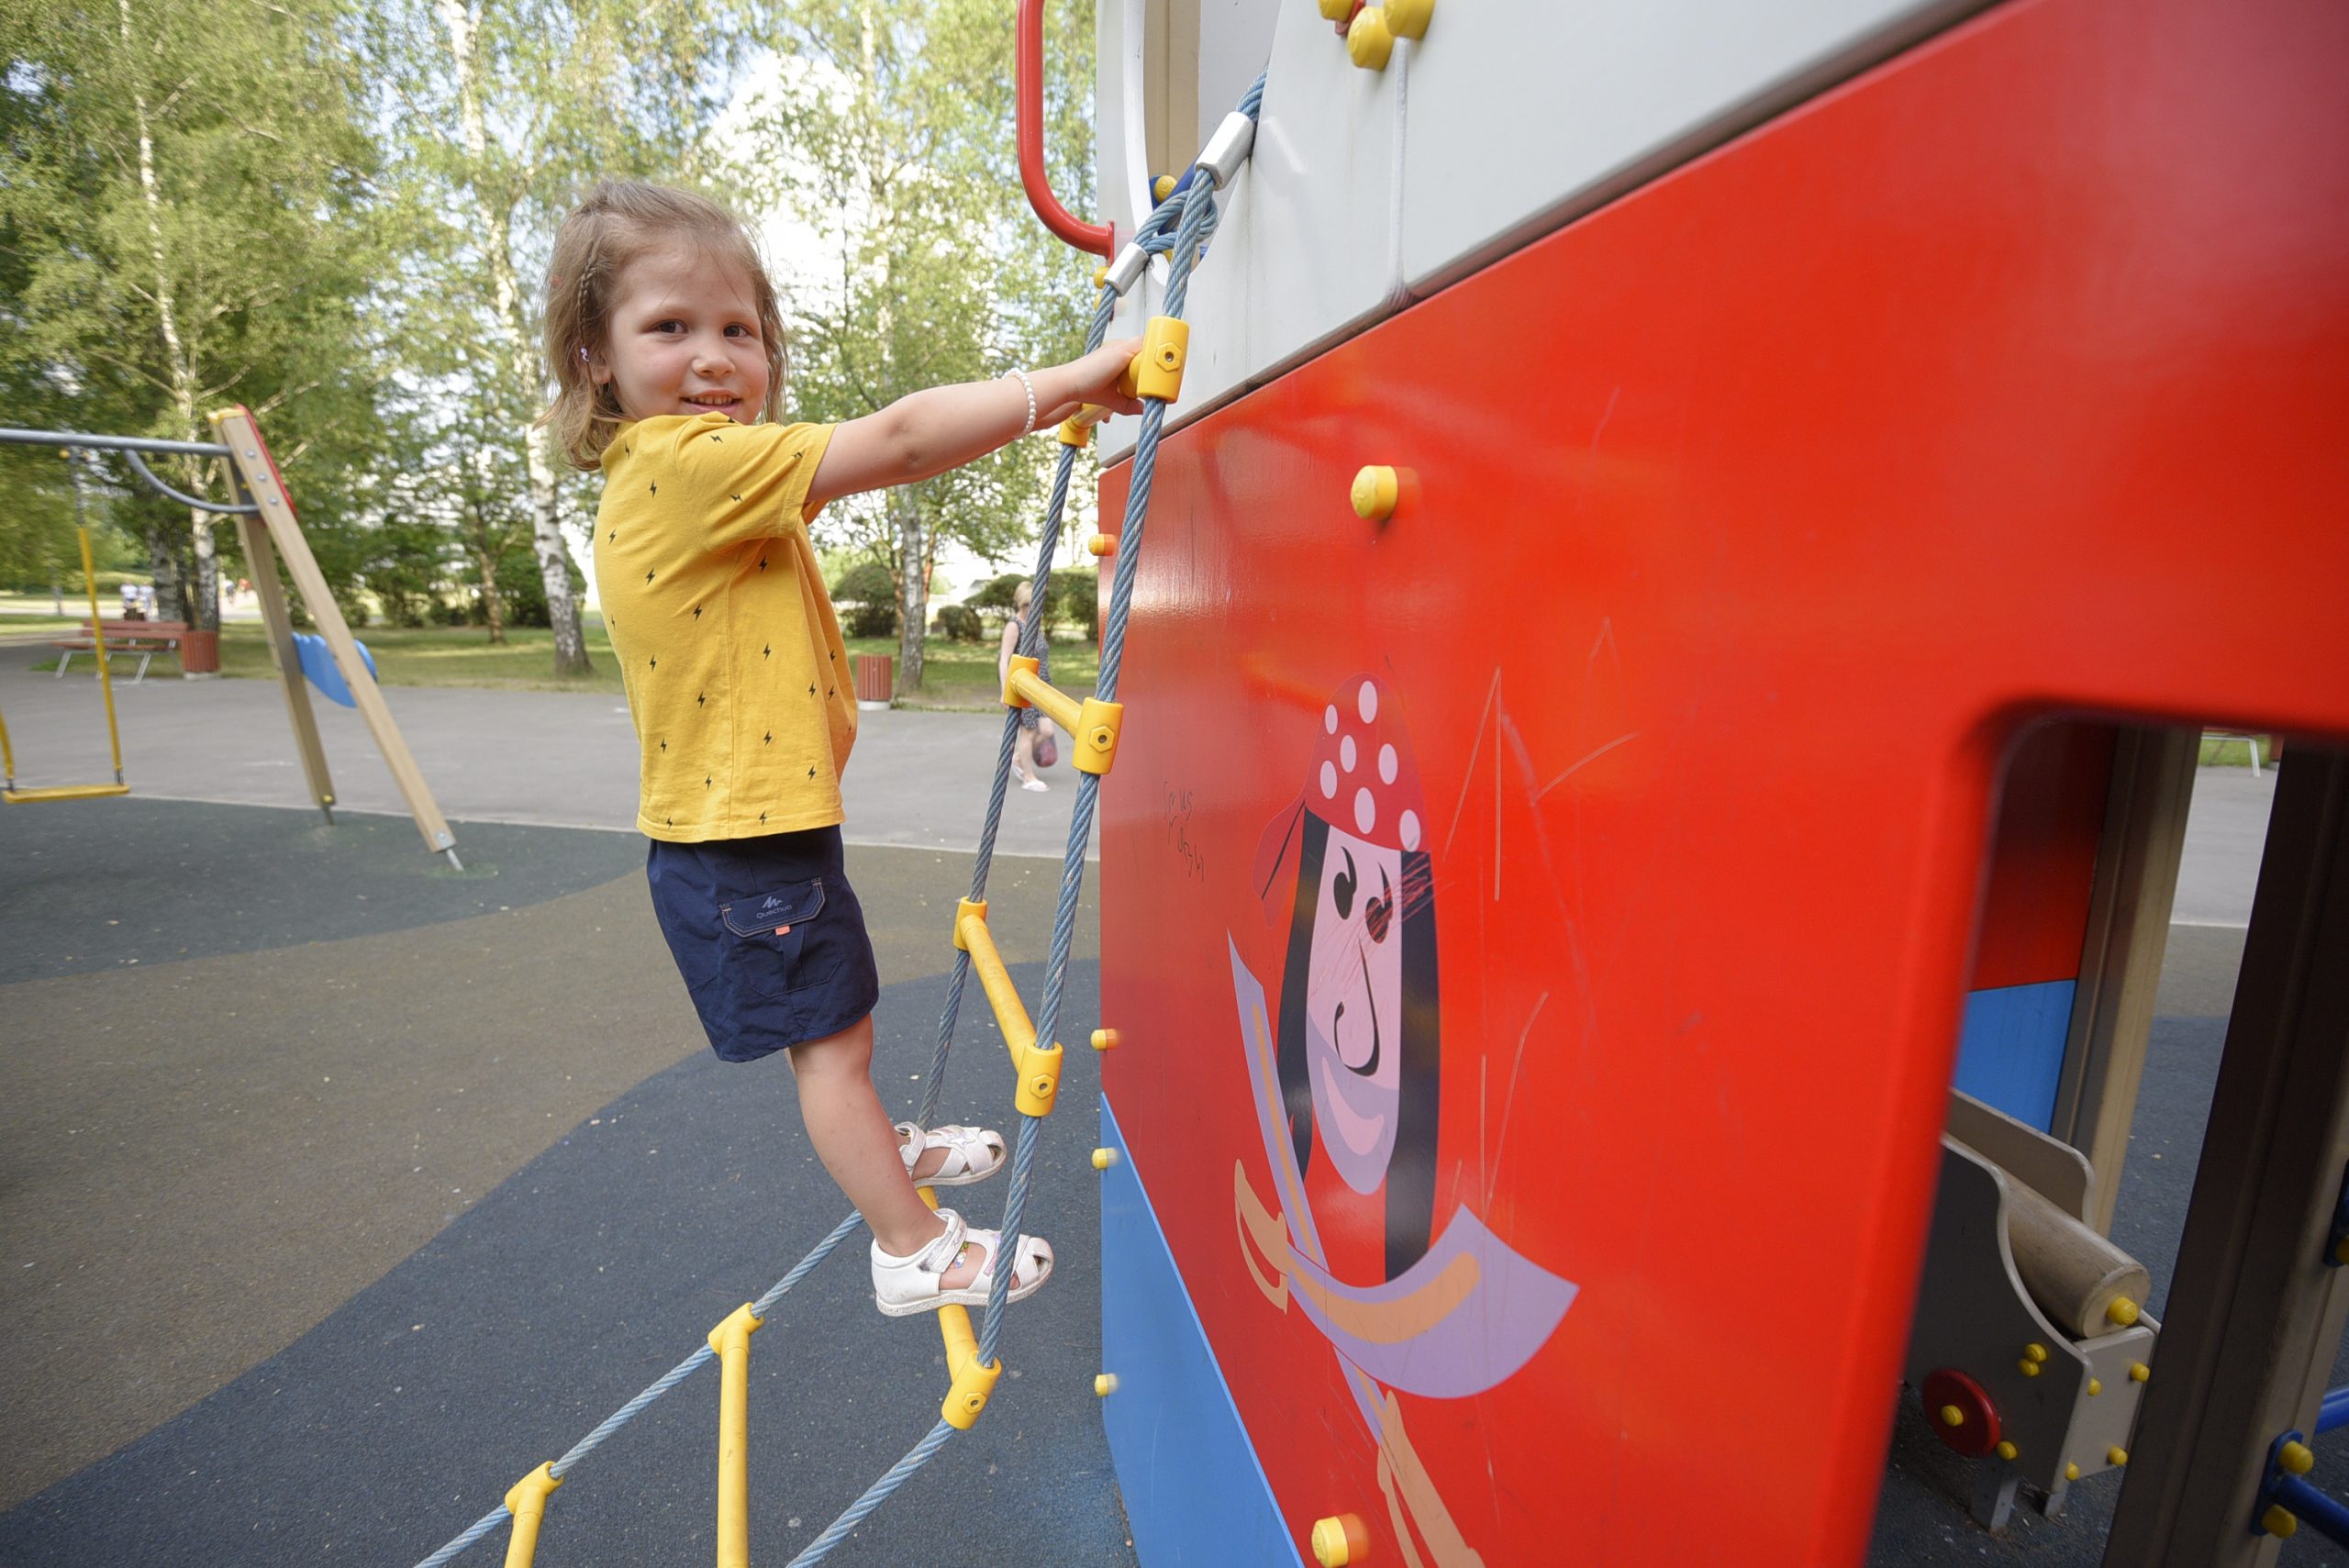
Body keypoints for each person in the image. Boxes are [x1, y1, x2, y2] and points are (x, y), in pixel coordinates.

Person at [540, 181, 1141, 1317]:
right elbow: (904, 441)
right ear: (594, 358)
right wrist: (1063, 385)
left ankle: (886, 1145)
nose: (715, 357)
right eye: (670, 327)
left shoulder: (692, 479)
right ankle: (910, 1251)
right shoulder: (682, 466)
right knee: (832, 1058)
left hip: (747, 835)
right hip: (743, 846)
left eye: (740, 330)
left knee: (842, 1036)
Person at [996, 579, 1059, 792]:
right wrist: (1005, 690)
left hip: (1041, 686)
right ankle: (1028, 778)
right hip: (1023, 686)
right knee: (1029, 732)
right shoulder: (1014, 626)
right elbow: (1004, 659)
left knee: (1047, 729)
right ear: (1023, 604)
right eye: (1031, 605)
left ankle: (1017, 759)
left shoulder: (1035, 626)